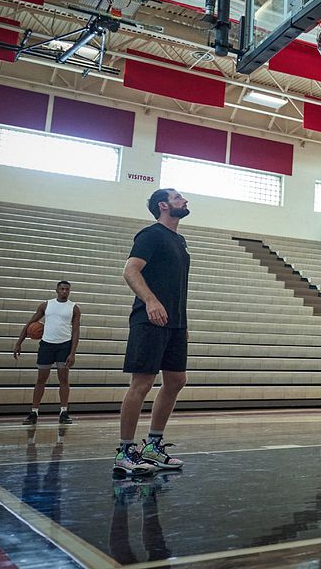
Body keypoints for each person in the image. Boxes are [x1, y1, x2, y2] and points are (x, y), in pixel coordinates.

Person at [114, 188, 191, 476]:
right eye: (178, 197)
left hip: (175, 322)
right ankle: (124, 452)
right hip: (149, 319)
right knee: (142, 383)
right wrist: (150, 301)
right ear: (163, 205)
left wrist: (183, 323)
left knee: (176, 380)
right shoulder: (150, 235)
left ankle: (152, 446)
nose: (184, 200)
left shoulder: (179, 240)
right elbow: (130, 270)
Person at [14, 280, 80, 425]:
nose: (64, 291)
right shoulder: (46, 305)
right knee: (41, 379)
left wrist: (73, 352)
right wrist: (19, 342)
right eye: (62, 289)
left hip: (64, 345)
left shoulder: (74, 308)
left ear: (69, 291)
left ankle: (64, 412)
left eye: (67, 289)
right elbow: (30, 324)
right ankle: (34, 412)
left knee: (64, 379)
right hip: (46, 345)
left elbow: (76, 331)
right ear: (57, 290)